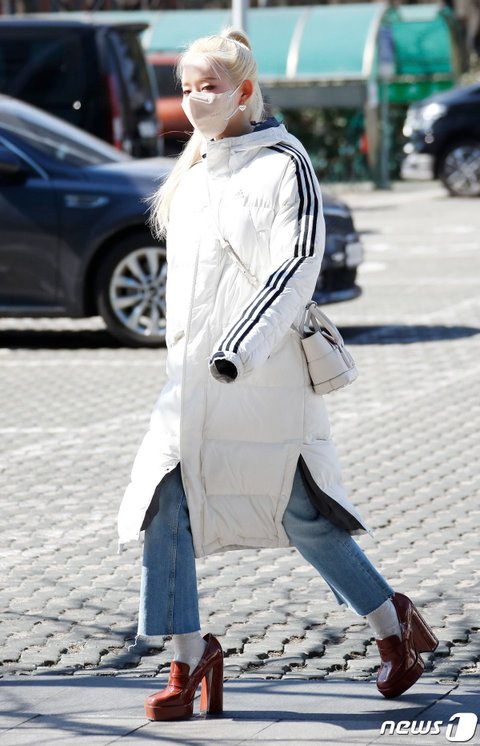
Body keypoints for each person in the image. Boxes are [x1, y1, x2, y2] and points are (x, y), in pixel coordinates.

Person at [117, 29, 438, 722]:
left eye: (209, 87)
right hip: (192, 383)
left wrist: (239, 346)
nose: (195, 100)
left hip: (262, 375)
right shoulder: (193, 170)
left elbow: (297, 265)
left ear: (243, 91)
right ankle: (188, 655)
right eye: (186, 89)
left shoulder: (286, 162)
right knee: (163, 502)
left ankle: (394, 627)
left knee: (301, 512)